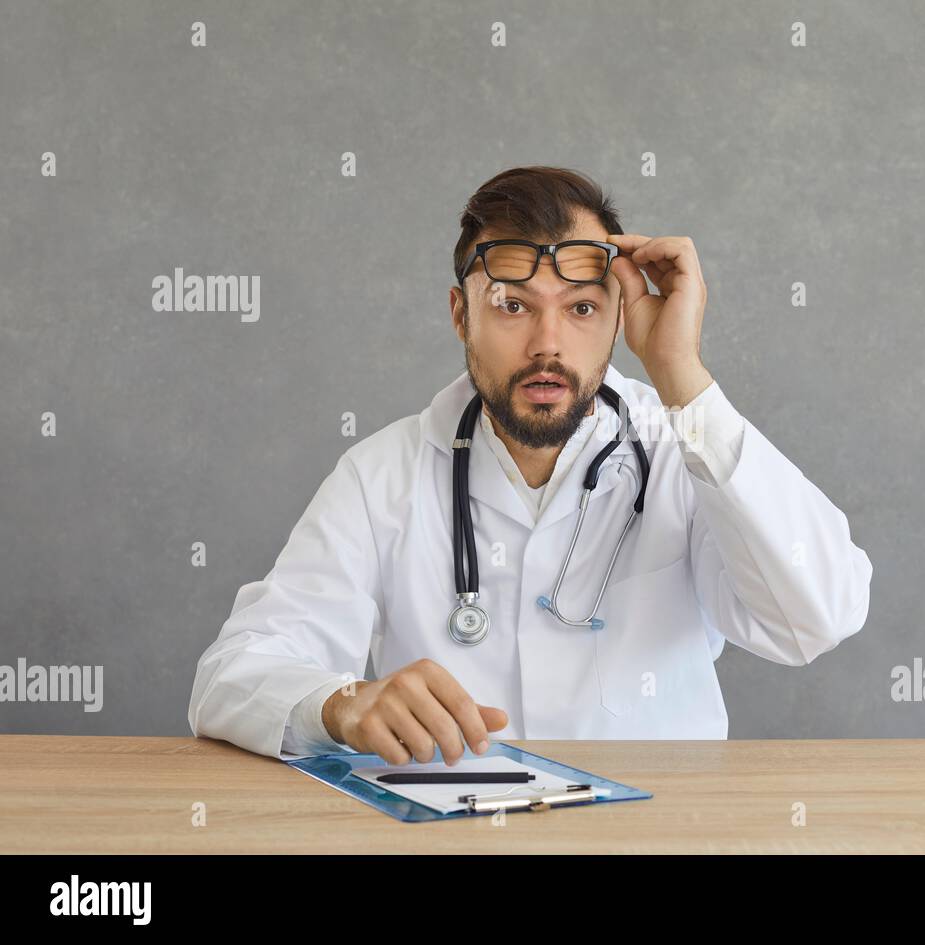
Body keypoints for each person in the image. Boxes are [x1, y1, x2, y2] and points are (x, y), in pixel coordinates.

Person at [188, 165, 872, 764]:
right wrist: (342, 703)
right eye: (512, 306)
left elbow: (815, 616)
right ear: (461, 315)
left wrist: (679, 372)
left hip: (658, 840)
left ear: (617, 319)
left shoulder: (681, 447)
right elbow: (230, 676)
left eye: (581, 308)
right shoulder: (382, 476)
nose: (548, 344)